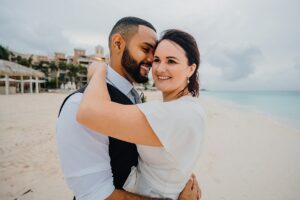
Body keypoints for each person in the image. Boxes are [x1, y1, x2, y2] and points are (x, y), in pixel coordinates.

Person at [56, 17, 200, 200]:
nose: (152, 62)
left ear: (190, 69)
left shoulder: (138, 99)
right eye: (147, 50)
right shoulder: (78, 104)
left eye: (170, 60)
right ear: (117, 43)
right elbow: (94, 195)